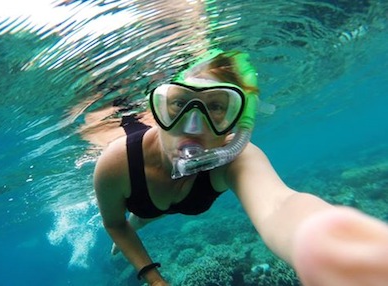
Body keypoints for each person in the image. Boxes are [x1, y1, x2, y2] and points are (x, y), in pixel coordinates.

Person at [93, 49, 388, 286]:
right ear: (157, 108)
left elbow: (278, 204)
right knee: (139, 218)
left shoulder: (235, 156)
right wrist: (153, 278)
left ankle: (142, 219)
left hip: (156, 204)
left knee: (148, 214)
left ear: (238, 121)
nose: (192, 126)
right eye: (179, 103)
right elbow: (113, 223)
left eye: (216, 107)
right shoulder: (117, 162)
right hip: (143, 204)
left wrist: (324, 243)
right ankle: (139, 221)